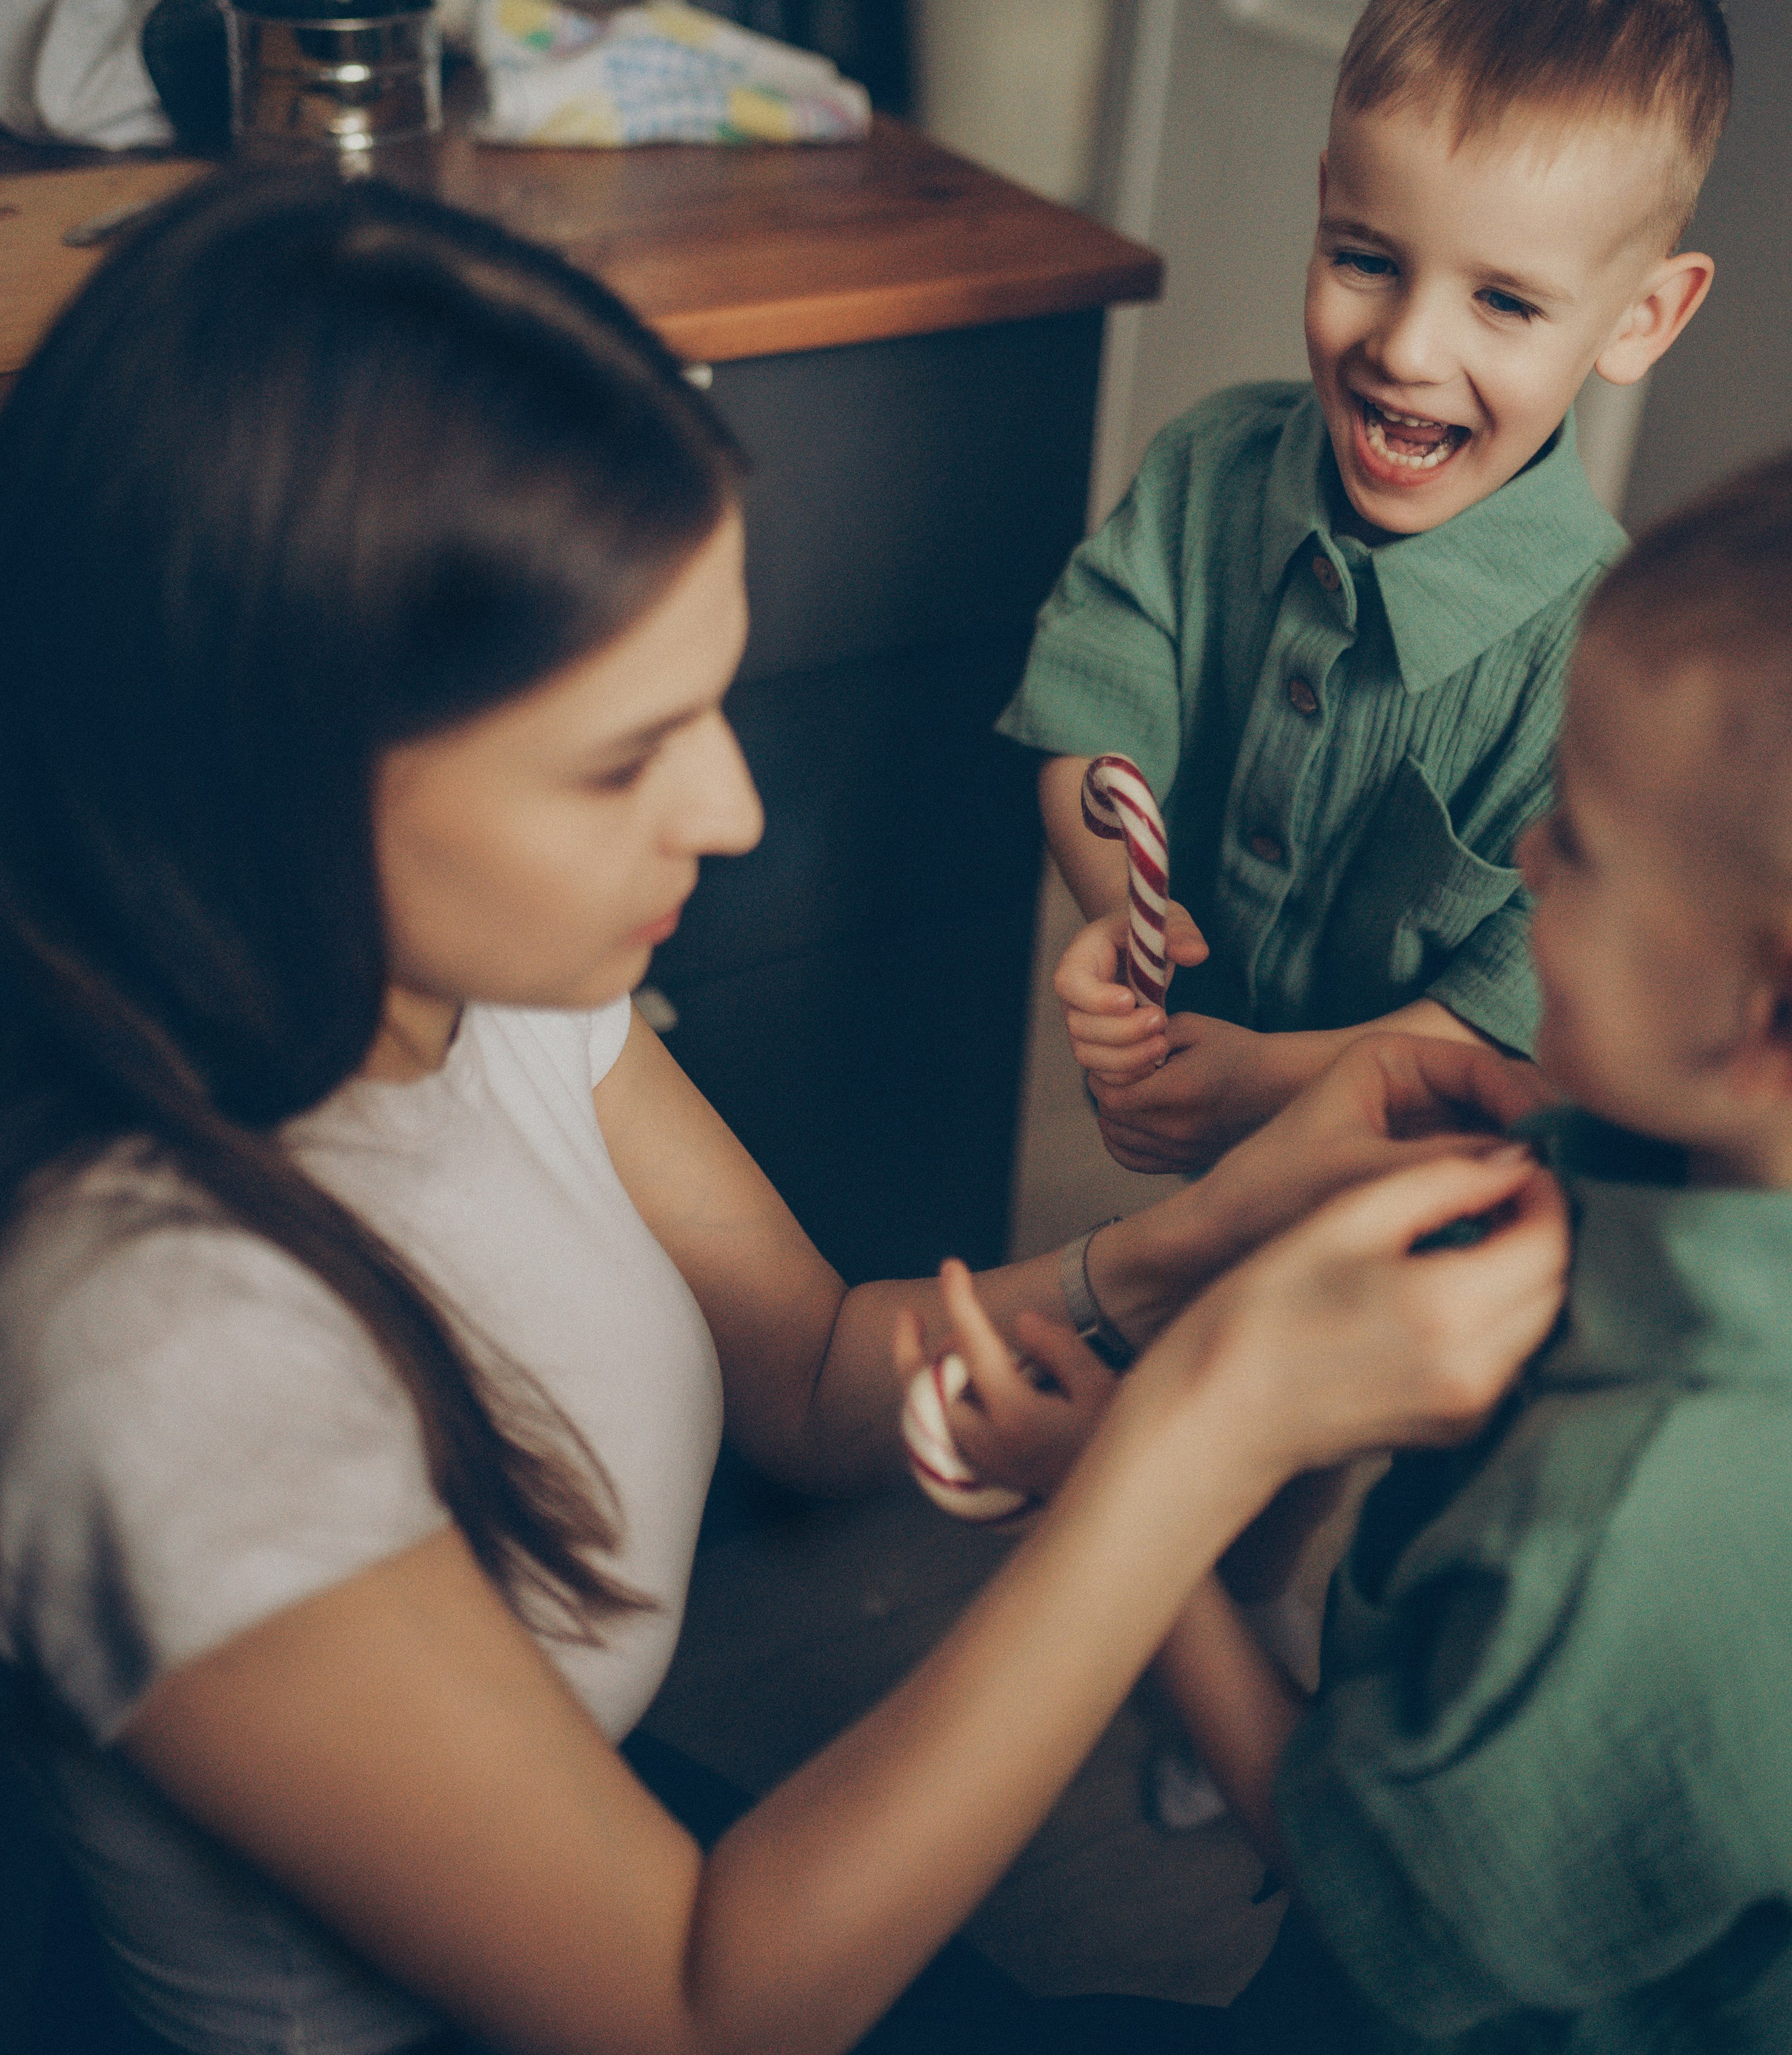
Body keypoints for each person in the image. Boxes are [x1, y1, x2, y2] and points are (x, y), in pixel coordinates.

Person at [0, 172, 1569, 2055]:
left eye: (711, 703)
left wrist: (1224, 1230)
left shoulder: (473, 988)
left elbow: (822, 1375)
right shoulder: (158, 1346)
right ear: (278, 780)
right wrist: (1213, 1425)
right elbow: (702, 2010)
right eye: (620, 759)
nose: (732, 814)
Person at [948, 446, 1792, 2050]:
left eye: (1582, 849)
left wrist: (1114, 1485)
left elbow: (1361, 1892)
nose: (1526, 860)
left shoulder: (1628, 1534)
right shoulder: (1661, 1154)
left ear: (1761, 1009)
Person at [1000, 0, 1727, 1179]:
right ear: (1323, 200)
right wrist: (1131, 922)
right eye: (1367, 259)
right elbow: (1092, 701)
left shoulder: (1616, 660)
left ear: (1640, 320)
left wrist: (1273, 1086)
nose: (1406, 349)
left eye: (1504, 300)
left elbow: (1525, 982)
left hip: (1414, 1189)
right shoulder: (1208, 471)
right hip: (1205, 1149)